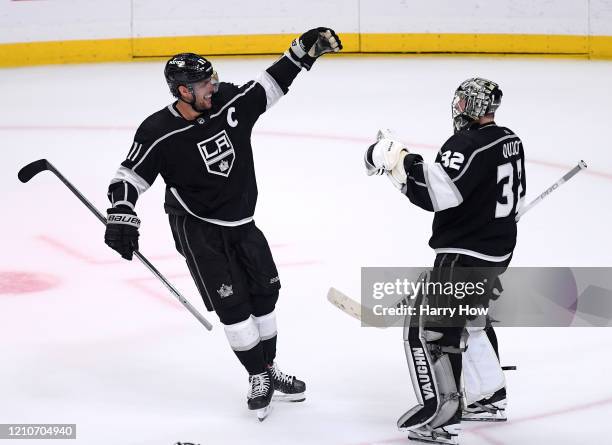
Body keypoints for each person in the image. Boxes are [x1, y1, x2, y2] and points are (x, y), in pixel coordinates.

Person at [103, 28, 342, 420]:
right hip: (198, 228)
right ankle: (257, 376)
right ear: (182, 91)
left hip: (242, 219)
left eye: (212, 78)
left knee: (266, 294)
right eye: (203, 83)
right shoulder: (157, 131)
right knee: (233, 305)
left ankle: (268, 367)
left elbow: (267, 87)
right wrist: (121, 215)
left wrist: (302, 53)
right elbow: (126, 178)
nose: (212, 86)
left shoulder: (227, 101)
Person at [365, 78, 526, 444]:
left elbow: (433, 195)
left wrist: (399, 162)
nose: (456, 108)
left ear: (469, 106)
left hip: (464, 253)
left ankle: (443, 418)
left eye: (460, 102)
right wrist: (405, 165)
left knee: (436, 331)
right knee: (471, 320)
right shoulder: (510, 139)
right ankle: (488, 396)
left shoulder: (464, 144)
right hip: (497, 250)